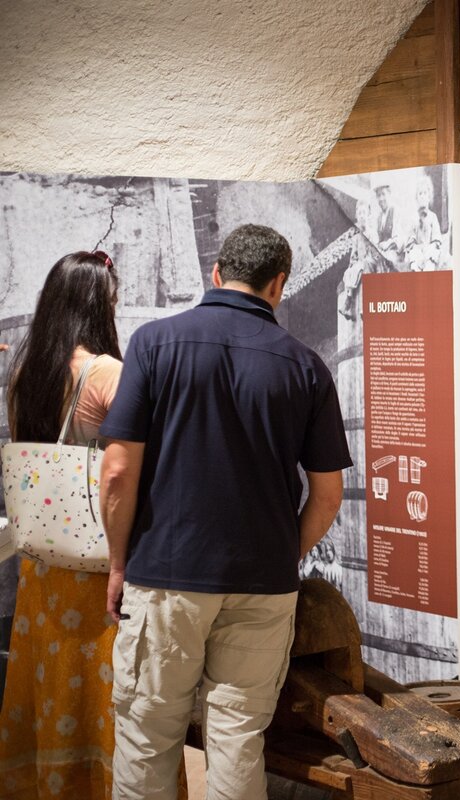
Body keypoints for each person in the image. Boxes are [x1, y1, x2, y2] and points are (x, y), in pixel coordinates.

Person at [99, 224, 352, 800]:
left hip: (165, 575)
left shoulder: (155, 343)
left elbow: (117, 472)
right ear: (279, 284)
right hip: (263, 583)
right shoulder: (307, 367)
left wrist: (118, 564)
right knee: (239, 738)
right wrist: (281, 555)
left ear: (215, 274)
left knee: (147, 735)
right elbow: (328, 495)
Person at [0, 251, 179, 799]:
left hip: (42, 566)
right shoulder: (105, 373)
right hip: (98, 565)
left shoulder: (27, 373)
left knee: (51, 687)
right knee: (109, 695)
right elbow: (136, 463)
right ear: (100, 304)